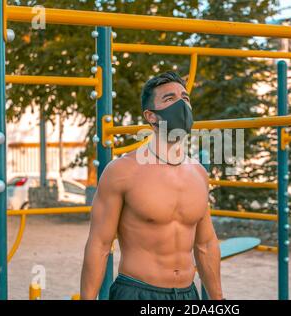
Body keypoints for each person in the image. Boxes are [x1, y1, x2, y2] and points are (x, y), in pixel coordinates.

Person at [80, 71, 223, 300]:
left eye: (185, 98)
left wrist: (218, 300)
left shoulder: (198, 174)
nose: (181, 104)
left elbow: (205, 244)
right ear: (151, 116)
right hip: (137, 292)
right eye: (170, 99)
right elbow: (100, 244)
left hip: (188, 294)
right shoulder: (123, 171)